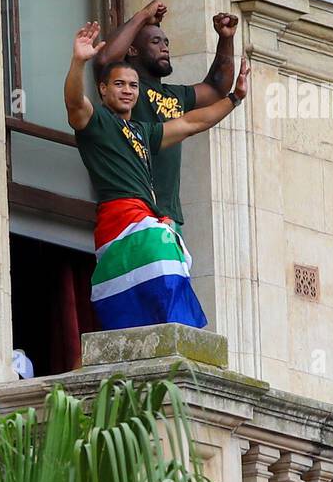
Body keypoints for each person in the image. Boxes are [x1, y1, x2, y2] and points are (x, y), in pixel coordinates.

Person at [64, 20, 249, 330]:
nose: (127, 91)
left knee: (167, 269)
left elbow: (193, 123)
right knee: (164, 246)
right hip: (122, 216)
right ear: (103, 89)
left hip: (144, 216)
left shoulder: (144, 131)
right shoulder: (95, 124)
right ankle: (181, 329)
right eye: (119, 84)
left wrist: (234, 98)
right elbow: (74, 101)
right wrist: (78, 62)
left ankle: (174, 335)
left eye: (133, 85)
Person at [92, 0, 239, 234]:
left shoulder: (175, 94)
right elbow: (104, 60)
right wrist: (143, 15)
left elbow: (217, 88)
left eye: (166, 42)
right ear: (132, 49)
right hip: (134, 210)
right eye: (155, 41)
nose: (165, 47)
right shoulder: (128, 90)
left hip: (168, 214)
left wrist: (226, 38)